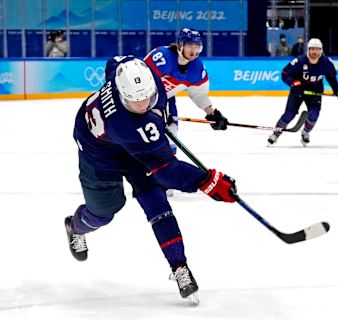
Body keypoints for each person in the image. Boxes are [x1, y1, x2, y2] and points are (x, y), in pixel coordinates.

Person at [65, 55, 237, 304]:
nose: (144, 103)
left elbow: (114, 61)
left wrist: (157, 115)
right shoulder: (126, 124)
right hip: (99, 153)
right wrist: (207, 181)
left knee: (157, 202)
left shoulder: (136, 72)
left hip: (132, 143)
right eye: (136, 102)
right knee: (105, 211)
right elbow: (168, 171)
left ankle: (179, 267)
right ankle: (75, 226)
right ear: (124, 96)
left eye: (148, 96)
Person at [144, 28, 229, 197]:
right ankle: (140, 177)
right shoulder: (162, 57)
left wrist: (211, 113)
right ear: (181, 45)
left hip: (166, 101)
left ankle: (164, 178)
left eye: (198, 46)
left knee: (171, 136)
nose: (194, 50)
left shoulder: (197, 68)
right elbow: (140, 81)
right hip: (139, 100)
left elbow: (198, 93)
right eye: (190, 45)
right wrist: (150, 108)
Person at [267, 38, 338, 147]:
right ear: (308, 49)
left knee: (314, 114)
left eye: (317, 49)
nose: (315, 52)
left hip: (315, 91)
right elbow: (285, 74)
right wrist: (293, 82)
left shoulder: (326, 63)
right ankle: (275, 134)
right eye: (312, 49)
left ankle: (305, 132)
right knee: (289, 114)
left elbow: (331, 78)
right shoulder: (299, 61)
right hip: (298, 91)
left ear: (321, 50)